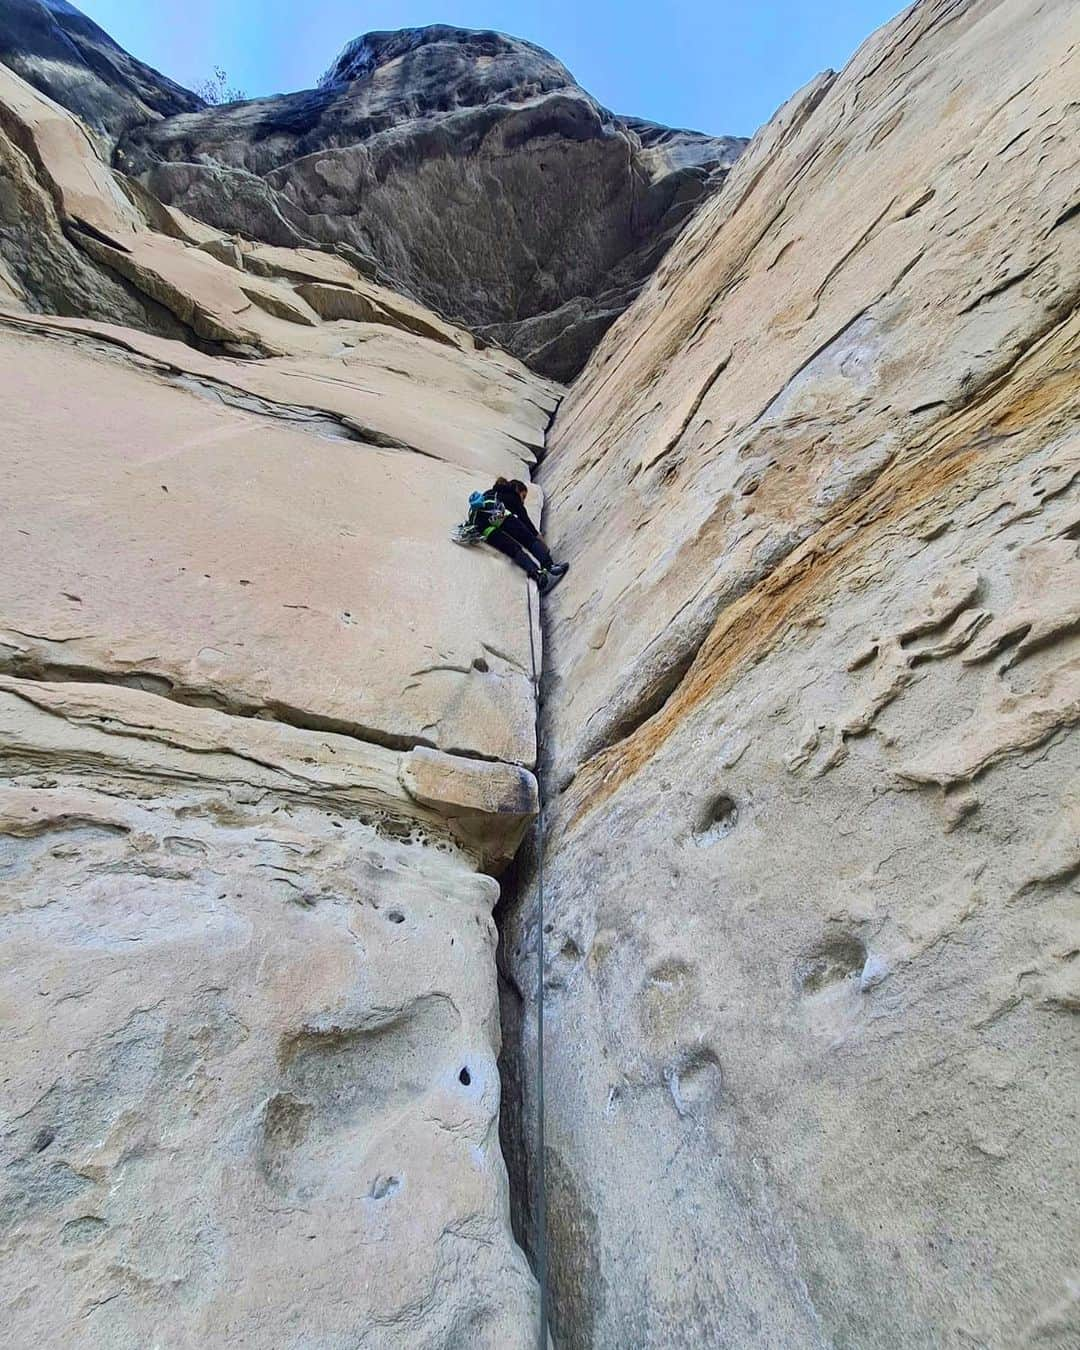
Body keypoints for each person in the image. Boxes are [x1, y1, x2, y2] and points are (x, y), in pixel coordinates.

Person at [474, 478, 569, 593]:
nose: (523, 501)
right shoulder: (512, 496)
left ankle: (537, 575)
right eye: (523, 496)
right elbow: (526, 523)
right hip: (500, 515)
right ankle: (550, 567)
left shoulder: (488, 494)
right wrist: (541, 542)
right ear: (517, 489)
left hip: (483, 526)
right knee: (528, 539)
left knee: (514, 550)